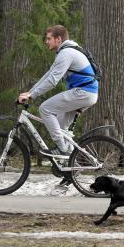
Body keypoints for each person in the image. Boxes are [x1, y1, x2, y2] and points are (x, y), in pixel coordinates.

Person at [18, 25, 98, 158]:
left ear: (58, 39)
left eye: (49, 38)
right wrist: (30, 92)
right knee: (61, 128)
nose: (46, 41)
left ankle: (62, 150)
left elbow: (52, 81)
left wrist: (32, 95)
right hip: (85, 93)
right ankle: (71, 167)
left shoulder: (66, 53)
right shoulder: (66, 51)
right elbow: (49, 75)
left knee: (45, 109)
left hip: (83, 92)